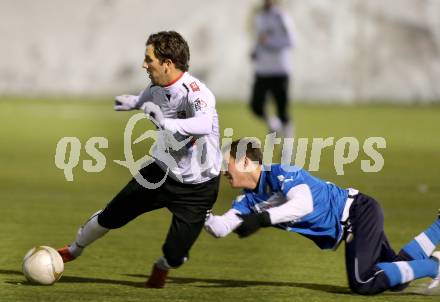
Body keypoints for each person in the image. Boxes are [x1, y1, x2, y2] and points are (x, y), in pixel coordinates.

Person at [57, 31, 222, 288]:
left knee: (175, 254)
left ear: (167, 63)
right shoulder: (157, 86)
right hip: (160, 172)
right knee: (111, 215)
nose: (144, 65)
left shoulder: (197, 93)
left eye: (149, 59)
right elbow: (148, 97)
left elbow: (202, 124)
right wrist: (133, 102)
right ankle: (73, 250)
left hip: (198, 187)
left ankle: (164, 266)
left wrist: (165, 122)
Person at [204, 138, 440, 295]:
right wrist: (197, 211)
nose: (224, 171)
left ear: (245, 161)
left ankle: (432, 266)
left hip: (358, 212)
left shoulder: (282, 171)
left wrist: (262, 219)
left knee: (363, 282)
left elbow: (303, 204)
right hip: (353, 220)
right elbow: (221, 227)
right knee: (398, 279)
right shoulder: (246, 201)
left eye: (227, 164)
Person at [250, 0, 295, 138]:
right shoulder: (259, 16)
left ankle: (288, 147)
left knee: (282, 110)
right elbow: (259, 39)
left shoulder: (281, 16)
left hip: (279, 70)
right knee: (256, 106)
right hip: (263, 69)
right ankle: (274, 125)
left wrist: (269, 42)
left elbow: (291, 41)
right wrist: (256, 50)